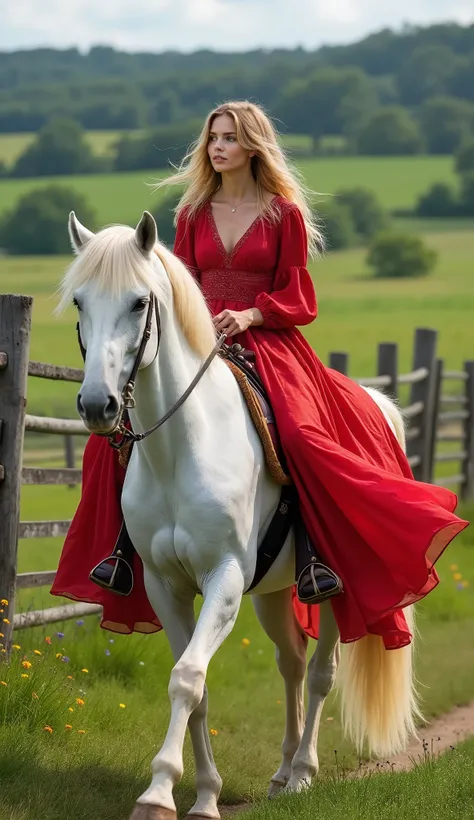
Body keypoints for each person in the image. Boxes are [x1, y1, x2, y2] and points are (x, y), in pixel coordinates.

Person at [52, 101, 468, 648]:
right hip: (201, 342)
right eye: (212, 138)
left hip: (268, 340)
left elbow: (301, 296)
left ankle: (316, 556)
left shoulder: (283, 213)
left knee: (298, 434)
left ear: (252, 145)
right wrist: (200, 326)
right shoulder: (193, 212)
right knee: (118, 439)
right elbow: (182, 286)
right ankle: (123, 552)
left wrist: (250, 313)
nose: (216, 147)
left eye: (228, 138)